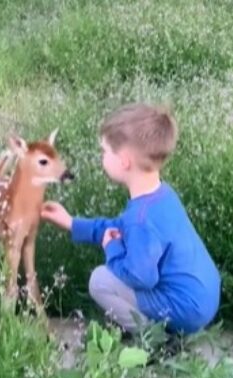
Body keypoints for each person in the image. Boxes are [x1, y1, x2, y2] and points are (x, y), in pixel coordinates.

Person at [41, 103, 221, 337]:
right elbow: (123, 227)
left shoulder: (140, 219)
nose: (102, 157)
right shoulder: (161, 195)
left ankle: (153, 339)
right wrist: (72, 223)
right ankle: (156, 325)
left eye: (105, 151)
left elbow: (141, 278)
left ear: (124, 161)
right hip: (204, 296)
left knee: (100, 281)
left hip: (186, 311)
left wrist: (112, 248)